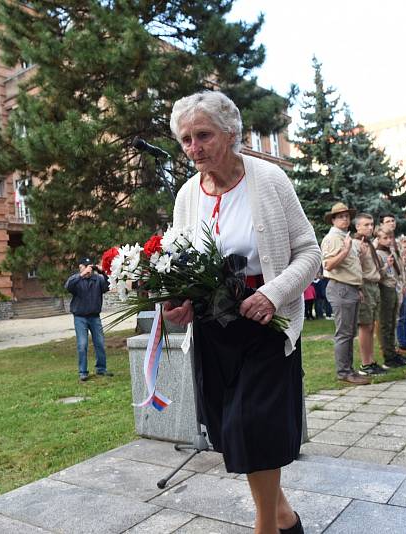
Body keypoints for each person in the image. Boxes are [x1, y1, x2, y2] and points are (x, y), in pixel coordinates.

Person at [162, 90, 320, 534]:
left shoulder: (269, 180)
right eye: (187, 139)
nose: (194, 148)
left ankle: (266, 527)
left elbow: (310, 252)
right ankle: (285, 517)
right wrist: (183, 302)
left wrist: (274, 292)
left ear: (231, 133)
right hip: (215, 329)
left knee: (254, 425)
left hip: (266, 323)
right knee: (231, 428)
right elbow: (185, 262)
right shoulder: (187, 195)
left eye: (204, 135)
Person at [321, 203, 370, 386]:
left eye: (347, 216)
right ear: (333, 220)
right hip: (340, 288)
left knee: (349, 333)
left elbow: (351, 267)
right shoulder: (333, 238)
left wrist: (358, 288)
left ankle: (348, 369)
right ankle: (344, 372)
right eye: (340, 216)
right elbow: (328, 265)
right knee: (344, 333)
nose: (345, 219)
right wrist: (345, 250)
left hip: (350, 288)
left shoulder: (345, 236)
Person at [65, 257, 112, 381]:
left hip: (94, 317)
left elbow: (108, 285)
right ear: (81, 267)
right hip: (80, 317)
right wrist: (81, 275)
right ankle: (83, 372)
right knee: (82, 344)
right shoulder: (76, 279)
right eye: (85, 266)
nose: (88, 269)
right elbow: (68, 286)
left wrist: (102, 271)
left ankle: (101, 369)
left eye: (90, 267)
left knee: (100, 343)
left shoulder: (97, 280)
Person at [353, 213, 386, 376]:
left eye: (371, 224)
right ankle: (366, 364)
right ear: (357, 226)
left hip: (374, 285)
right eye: (365, 225)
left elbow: (373, 268)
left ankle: (371, 361)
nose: (370, 227)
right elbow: (355, 269)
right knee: (365, 325)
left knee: (371, 324)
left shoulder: (369, 244)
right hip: (364, 286)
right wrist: (359, 288)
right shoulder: (356, 244)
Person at [375, 229, 406, 367]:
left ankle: (393, 352)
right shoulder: (378, 253)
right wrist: (386, 266)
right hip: (385, 289)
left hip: (394, 288)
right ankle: (388, 356)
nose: (389, 240)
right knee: (386, 324)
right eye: (385, 237)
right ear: (378, 239)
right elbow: (377, 274)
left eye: (390, 237)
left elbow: (397, 272)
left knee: (392, 323)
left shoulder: (389, 252)